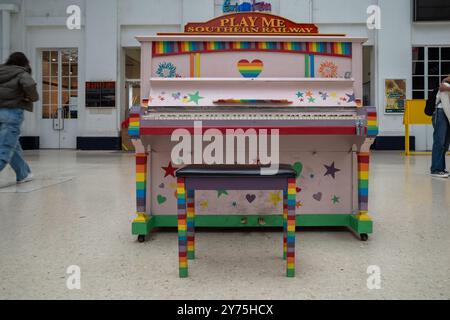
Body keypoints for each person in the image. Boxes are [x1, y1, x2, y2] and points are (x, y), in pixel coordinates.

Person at [0, 52, 39, 183]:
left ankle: (23, 174)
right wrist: (33, 97)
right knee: (4, 150)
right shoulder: (22, 73)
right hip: (11, 113)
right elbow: (30, 86)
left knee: (13, 146)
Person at [430, 75, 450, 178]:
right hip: (441, 112)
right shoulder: (445, 84)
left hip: (447, 114)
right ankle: (436, 169)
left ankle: (441, 168)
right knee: (439, 141)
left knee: (445, 144)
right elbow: (442, 87)